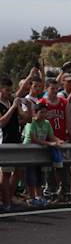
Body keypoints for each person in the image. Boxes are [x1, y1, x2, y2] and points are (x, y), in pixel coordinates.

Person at [41, 79, 71, 200]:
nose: (55, 91)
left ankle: (66, 190)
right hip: (48, 140)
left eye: (56, 88)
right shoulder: (42, 102)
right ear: (46, 89)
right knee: (49, 166)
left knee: (64, 166)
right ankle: (50, 190)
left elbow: (68, 121)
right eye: (52, 89)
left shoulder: (64, 102)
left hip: (62, 139)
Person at [23, 102, 64, 206]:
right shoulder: (31, 123)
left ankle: (39, 197)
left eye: (46, 112)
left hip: (40, 152)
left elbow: (51, 136)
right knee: (31, 176)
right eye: (41, 112)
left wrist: (59, 141)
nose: (44, 114)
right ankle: (32, 198)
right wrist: (49, 144)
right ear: (35, 113)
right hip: (30, 152)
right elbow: (33, 138)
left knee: (40, 175)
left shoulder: (47, 123)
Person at [0, 77, 25, 211]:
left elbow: (26, 118)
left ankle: (8, 199)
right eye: (7, 90)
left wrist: (28, 108)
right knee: (6, 173)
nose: (10, 93)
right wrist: (12, 108)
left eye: (11, 90)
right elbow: (1, 123)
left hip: (16, 140)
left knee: (19, 170)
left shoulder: (12, 101)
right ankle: (6, 203)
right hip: (4, 142)